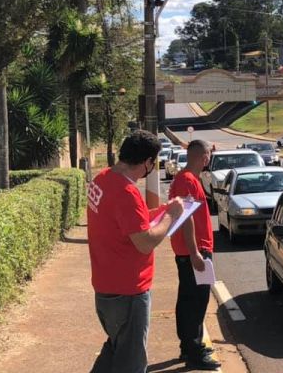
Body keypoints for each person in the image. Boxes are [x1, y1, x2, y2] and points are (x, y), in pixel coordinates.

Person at [87, 130, 185, 373]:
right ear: (148, 162)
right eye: (155, 163)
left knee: (115, 349)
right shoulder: (127, 192)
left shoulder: (103, 178)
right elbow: (145, 241)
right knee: (131, 362)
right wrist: (171, 216)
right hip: (128, 292)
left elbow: (127, 223)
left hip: (105, 288)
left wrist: (161, 211)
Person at [168, 140, 220, 370]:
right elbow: (186, 217)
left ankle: (191, 345)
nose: (209, 158)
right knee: (195, 302)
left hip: (195, 250)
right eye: (209, 154)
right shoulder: (187, 180)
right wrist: (195, 253)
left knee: (194, 300)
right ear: (204, 157)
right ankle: (194, 351)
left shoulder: (187, 178)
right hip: (195, 252)